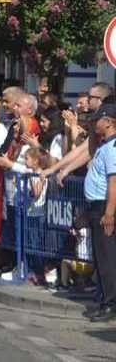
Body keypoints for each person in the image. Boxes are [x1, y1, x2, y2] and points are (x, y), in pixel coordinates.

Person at [83, 102, 116, 322]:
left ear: (110, 121)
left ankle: (110, 304)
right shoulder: (104, 145)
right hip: (97, 206)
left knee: (107, 259)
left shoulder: (113, 148)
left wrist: (109, 214)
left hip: (104, 207)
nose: (95, 123)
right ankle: (105, 300)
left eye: (99, 120)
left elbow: (114, 183)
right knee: (100, 257)